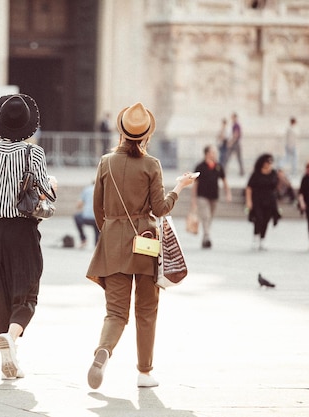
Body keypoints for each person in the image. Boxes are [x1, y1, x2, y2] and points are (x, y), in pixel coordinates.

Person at [85, 102, 195, 390]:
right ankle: (144, 373)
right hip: (145, 244)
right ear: (146, 136)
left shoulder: (106, 162)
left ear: (121, 132)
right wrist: (179, 187)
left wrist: (110, 234)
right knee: (146, 311)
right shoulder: (151, 165)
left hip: (113, 243)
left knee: (115, 312)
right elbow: (160, 209)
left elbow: (97, 207)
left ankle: (104, 350)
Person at [0, 94, 57, 380]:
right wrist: (51, 185)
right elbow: (47, 191)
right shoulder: (34, 154)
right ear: (27, 125)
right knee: (27, 291)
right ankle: (12, 335)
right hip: (23, 229)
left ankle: (10, 355)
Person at [191, 145, 232, 248]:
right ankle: (207, 237)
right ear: (207, 154)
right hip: (202, 196)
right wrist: (193, 199)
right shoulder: (200, 166)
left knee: (210, 217)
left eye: (215, 152)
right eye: (212, 152)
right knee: (206, 216)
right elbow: (195, 184)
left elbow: (224, 180)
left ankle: (205, 237)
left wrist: (228, 193)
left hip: (214, 196)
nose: (214, 154)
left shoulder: (218, 166)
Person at [245, 153, 280, 251]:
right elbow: (249, 188)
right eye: (267, 161)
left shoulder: (273, 173)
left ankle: (262, 239)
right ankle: (255, 237)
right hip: (257, 200)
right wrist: (248, 201)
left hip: (270, 200)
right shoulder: (256, 173)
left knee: (266, 220)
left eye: (270, 162)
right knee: (258, 218)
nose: (269, 164)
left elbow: (276, 187)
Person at [74, 181, 99, 247]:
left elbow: (79, 205)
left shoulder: (87, 189)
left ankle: (83, 239)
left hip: (86, 218)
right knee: (97, 226)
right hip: (97, 219)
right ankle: (97, 244)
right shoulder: (103, 190)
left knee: (76, 216)